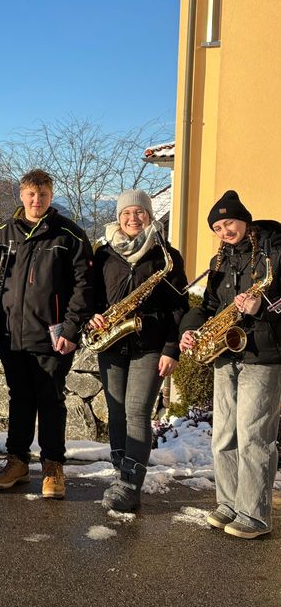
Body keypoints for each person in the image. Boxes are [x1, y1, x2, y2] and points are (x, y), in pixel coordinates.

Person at [0, 169, 94, 499]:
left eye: (42, 194)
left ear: (50, 196)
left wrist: (70, 329)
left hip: (53, 338)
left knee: (51, 401)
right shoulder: (1, 234)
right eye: (30, 194)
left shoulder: (69, 235)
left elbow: (85, 286)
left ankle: (53, 467)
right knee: (20, 400)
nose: (36, 200)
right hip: (12, 334)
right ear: (22, 196)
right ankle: (17, 463)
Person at [179, 190, 281, 539]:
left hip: (264, 354)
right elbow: (208, 305)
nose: (225, 230)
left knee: (254, 435)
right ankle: (229, 503)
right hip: (227, 353)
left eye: (230, 222)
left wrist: (263, 304)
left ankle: (254, 514)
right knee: (224, 434)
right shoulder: (220, 261)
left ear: (244, 219)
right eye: (218, 226)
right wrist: (190, 329)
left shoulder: (273, 251)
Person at [90, 190, 188, 512]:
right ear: (118, 218)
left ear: (149, 215)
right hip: (112, 343)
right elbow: (91, 297)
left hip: (150, 346)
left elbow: (179, 308)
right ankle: (121, 475)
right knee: (116, 411)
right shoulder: (104, 254)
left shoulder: (167, 256)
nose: (133, 218)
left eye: (139, 212)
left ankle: (131, 485)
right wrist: (94, 316)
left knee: (136, 411)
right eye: (126, 213)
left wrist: (171, 348)